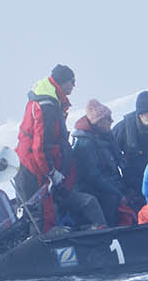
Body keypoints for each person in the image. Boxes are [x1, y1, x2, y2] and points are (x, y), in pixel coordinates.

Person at [14, 65, 104, 230]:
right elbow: (40, 146)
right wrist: (50, 172)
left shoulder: (47, 100)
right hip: (34, 169)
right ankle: (45, 248)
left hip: (31, 165)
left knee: (41, 210)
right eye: (72, 81)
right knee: (42, 213)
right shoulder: (48, 106)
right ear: (63, 82)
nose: (74, 85)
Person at [70, 99, 127, 226]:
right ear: (98, 122)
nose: (111, 121)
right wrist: (117, 193)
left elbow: (119, 160)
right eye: (108, 119)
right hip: (92, 189)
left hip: (109, 183)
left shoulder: (107, 136)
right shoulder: (85, 144)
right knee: (112, 200)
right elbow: (94, 177)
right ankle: (111, 233)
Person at [113, 90, 148, 211]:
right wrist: (121, 188)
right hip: (132, 184)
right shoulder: (122, 129)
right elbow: (110, 156)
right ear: (140, 114)